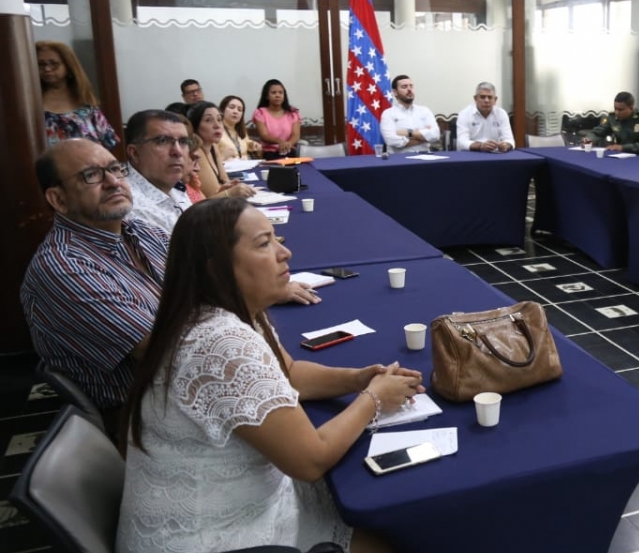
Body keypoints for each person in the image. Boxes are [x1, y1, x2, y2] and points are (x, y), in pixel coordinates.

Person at [117, 198, 416, 553]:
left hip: (230, 511)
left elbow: (290, 374)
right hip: (212, 540)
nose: (284, 253)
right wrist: (374, 399)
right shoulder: (223, 342)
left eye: (277, 239)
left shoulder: (219, 311)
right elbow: (311, 460)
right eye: (263, 244)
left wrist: (356, 379)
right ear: (216, 268)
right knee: (400, 537)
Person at [22, 139, 169, 437]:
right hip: (142, 419)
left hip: (181, 389)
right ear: (58, 199)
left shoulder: (141, 231)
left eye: (115, 169)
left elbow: (210, 285)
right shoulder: (64, 267)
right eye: (91, 175)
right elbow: (161, 352)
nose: (113, 182)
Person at [37, 41, 118, 150]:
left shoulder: (84, 101)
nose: (47, 69)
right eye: (41, 64)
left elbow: (110, 141)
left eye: (54, 64)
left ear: (68, 66)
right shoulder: (31, 101)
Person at [123, 109, 194, 233]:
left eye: (183, 142)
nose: (178, 152)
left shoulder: (170, 184)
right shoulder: (128, 205)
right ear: (134, 153)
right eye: (162, 141)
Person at [187, 101, 255, 199]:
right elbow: (212, 195)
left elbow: (224, 180)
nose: (217, 125)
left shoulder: (213, 146)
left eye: (219, 120)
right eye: (208, 120)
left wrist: (231, 187)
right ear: (195, 126)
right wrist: (230, 192)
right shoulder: (197, 153)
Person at [381, 74, 439, 153]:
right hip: (399, 158)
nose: (409, 89)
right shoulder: (388, 114)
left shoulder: (425, 111)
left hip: (425, 156)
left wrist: (409, 133)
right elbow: (392, 141)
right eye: (404, 87)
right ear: (395, 92)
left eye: (411, 86)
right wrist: (424, 137)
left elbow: (435, 135)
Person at [457, 81, 515, 152]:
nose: (486, 100)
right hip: (472, 153)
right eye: (482, 97)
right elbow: (461, 142)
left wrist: (506, 145)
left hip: (495, 154)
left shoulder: (501, 113)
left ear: (495, 100)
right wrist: (481, 146)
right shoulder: (464, 114)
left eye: (490, 97)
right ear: (475, 98)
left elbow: (509, 140)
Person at [253, 79, 302, 159]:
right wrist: (280, 142)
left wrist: (288, 144)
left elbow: (296, 135)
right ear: (267, 96)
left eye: (280, 92)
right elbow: (264, 136)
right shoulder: (260, 113)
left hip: (290, 152)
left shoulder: (293, 113)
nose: (277, 95)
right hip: (269, 153)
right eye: (273, 93)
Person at [218, 95, 263, 161]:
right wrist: (222, 157)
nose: (235, 112)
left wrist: (252, 145)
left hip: (244, 165)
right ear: (222, 110)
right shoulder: (215, 130)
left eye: (239, 110)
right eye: (232, 107)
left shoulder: (241, 130)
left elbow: (245, 142)